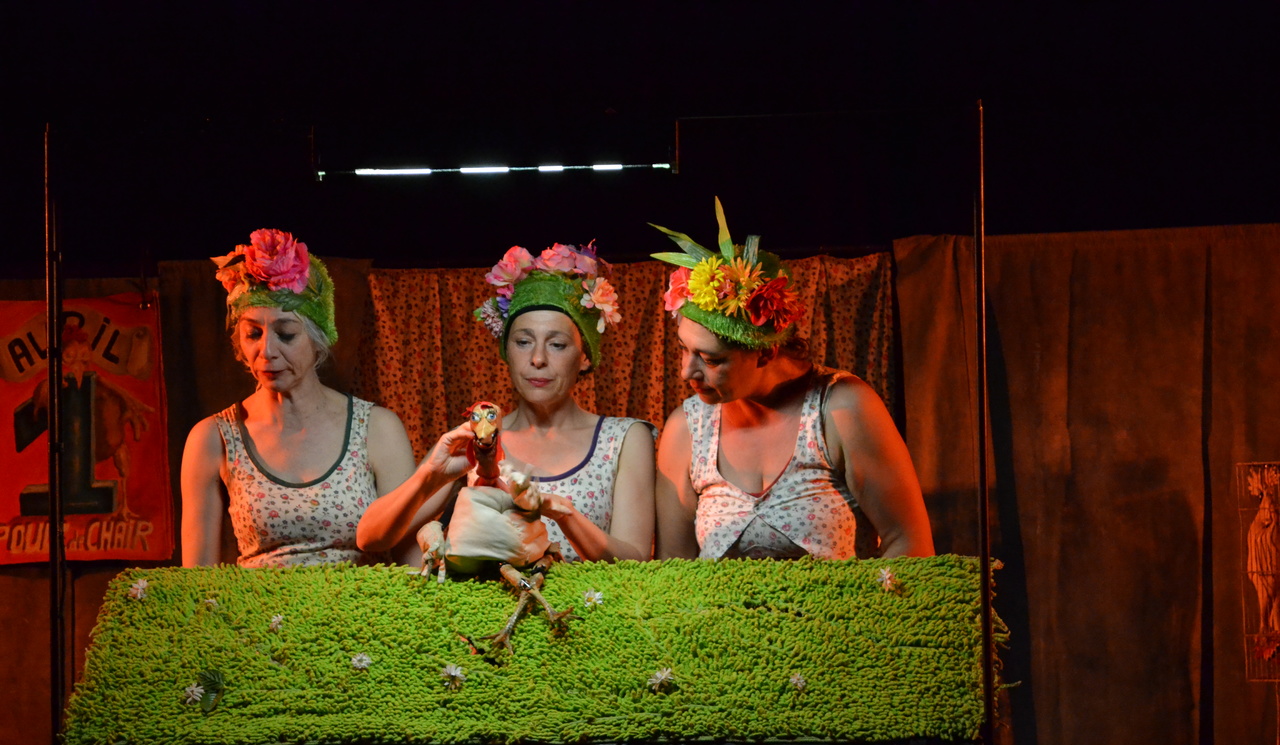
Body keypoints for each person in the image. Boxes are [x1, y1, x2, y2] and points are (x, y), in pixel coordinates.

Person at [652, 199, 934, 560]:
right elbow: (674, 568)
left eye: (711, 359)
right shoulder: (688, 429)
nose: (686, 372)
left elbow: (909, 542)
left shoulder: (840, 408)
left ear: (765, 353)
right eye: (683, 349)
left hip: (836, 598)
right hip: (718, 600)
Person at [356, 242, 655, 563]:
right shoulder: (477, 441)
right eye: (523, 342)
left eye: (557, 345)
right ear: (506, 352)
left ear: (584, 357)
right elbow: (370, 538)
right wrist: (430, 475)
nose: (537, 359)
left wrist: (564, 514)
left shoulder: (623, 439)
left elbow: (636, 561)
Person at [180, 228, 419, 567]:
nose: (267, 351)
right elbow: (195, 577)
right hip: (259, 601)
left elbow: (411, 560)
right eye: (253, 333)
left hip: (361, 599)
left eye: (286, 334)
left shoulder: (376, 428)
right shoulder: (213, 437)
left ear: (318, 339)